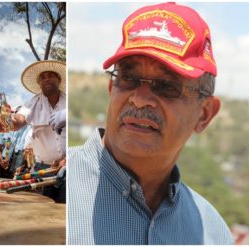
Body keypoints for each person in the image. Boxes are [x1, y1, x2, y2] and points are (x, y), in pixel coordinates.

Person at [68, 2, 234, 245]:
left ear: (204, 114)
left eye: (167, 86)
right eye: (128, 78)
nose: (140, 99)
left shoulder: (213, 234)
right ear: (111, 88)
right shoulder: (60, 190)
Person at [0, 60, 66, 202]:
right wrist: (5, 121)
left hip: (69, 167)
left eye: (51, 75)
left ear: (59, 80)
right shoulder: (33, 102)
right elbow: (18, 121)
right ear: (39, 83)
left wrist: (68, 159)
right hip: (43, 168)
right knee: (43, 212)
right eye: (43, 76)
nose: (46, 78)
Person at [0, 106, 32, 178]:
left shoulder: (31, 129)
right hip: (2, 169)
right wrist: (1, 161)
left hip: (19, 171)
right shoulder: (4, 127)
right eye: (16, 114)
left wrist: (23, 166)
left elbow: (30, 153)